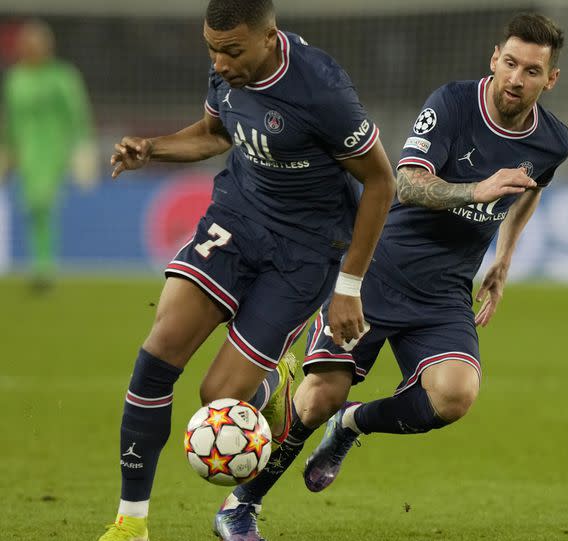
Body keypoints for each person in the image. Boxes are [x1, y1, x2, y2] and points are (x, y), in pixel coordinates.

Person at [211, 12, 568, 541]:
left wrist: (504, 259)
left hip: (446, 292)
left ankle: (352, 425)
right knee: (317, 398)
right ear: (495, 57)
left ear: (550, 79)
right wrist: (475, 190)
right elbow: (406, 183)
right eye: (510, 63)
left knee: (454, 396)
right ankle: (241, 505)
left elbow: (532, 184)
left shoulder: (553, 141)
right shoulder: (451, 104)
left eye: (532, 71)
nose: (516, 78)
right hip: (381, 270)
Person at [98, 0, 395, 539]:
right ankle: (129, 522)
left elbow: (381, 181)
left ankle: (275, 378)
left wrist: (348, 287)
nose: (219, 63)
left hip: (306, 250)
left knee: (219, 400)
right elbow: (217, 133)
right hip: (237, 219)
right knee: (159, 352)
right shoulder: (227, 72)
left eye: (231, 51)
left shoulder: (321, 91)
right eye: (211, 49)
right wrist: (153, 149)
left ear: (269, 38)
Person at [0, 20, 96, 290]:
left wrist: (82, 148)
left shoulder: (62, 77)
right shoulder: (15, 79)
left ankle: (44, 268)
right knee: (33, 208)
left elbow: (78, 114)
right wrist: (7, 152)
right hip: (26, 154)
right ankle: (40, 267)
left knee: (42, 202)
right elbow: (10, 120)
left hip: (54, 151)